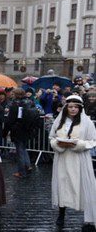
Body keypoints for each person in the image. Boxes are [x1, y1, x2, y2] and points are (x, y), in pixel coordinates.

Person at [49, 95, 96, 231]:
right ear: (66, 107)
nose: (73, 109)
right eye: (70, 107)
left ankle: (88, 219)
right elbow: (52, 137)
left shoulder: (87, 122)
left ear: (80, 108)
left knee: (84, 187)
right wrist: (57, 144)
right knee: (62, 185)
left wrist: (79, 144)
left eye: (76, 107)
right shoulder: (59, 122)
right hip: (63, 158)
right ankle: (61, 215)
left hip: (79, 159)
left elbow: (93, 140)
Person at [3, 88, 36, 178]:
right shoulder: (29, 102)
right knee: (23, 148)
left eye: (13, 94)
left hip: (18, 129)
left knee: (20, 150)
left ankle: (22, 171)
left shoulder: (15, 104)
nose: (11, 95)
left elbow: (10, 120)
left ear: (16, 95)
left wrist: (5, 132)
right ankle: (28, 165)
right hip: (28, 129)